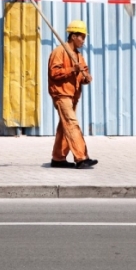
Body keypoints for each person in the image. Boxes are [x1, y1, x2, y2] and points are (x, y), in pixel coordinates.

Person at [48, 20, 98, 169]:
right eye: (81, 37)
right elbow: (54, 73)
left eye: (84, 37)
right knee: (71, 124)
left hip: (73, 96)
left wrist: (86, 77)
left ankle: (58, 158)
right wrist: (72, 69)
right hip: (61, 94)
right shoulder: (59, 52)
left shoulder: (78, 56)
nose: (83, 40)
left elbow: (82, 74)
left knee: (65, 127)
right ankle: (82, 158)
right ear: (73, 36)